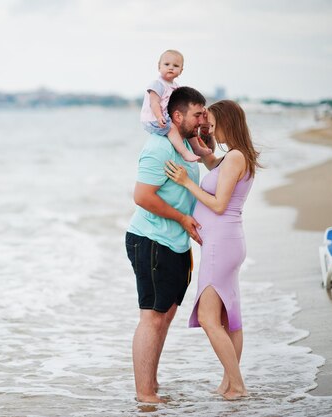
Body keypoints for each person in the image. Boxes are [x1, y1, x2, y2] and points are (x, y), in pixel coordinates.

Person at [165, 100, 261, 400]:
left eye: (214, 124)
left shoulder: (234, 158)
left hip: (221, 244)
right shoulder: (234, 157)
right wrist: (197, 142)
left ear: (228, 123)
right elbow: (212, 165)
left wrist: (185, 182)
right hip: (228, 242)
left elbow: (218, 204)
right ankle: (229, 383)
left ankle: (238, 385)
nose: (211, 129)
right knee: (229, 317)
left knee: (209, 318)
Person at [126, 86, 216, 403]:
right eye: (197, 113)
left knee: (164, 316)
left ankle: (151, 384)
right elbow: (142, 197)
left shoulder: (188, 146)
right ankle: (145, 394)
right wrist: (181, 218)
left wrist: (207, 129)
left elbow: (213, 162)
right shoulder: (159, 148)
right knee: (152, 317)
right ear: (177, 116)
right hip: (150, 239)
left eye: (204, 112)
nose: (202, 117)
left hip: (176, 244)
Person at [140, 50, 212, 163]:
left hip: (165, 117)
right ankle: (185, 153)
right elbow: (154, 103)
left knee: (190, 127)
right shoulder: (157, 84)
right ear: (159, 66)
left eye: (176, 66)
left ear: (181, 70)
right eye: (166, 64)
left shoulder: (176, 86)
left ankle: (197, 148)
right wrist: (159, 116)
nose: (171, 68)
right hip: (153, 118)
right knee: (172, 128)